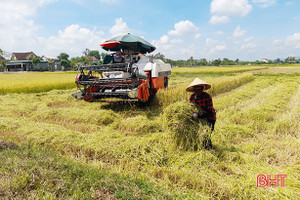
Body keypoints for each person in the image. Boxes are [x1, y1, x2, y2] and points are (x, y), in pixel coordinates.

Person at [186, 78, 216, 149]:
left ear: (202, 89)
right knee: (197, 135)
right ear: (193, 90)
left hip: (209, 118)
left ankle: (208, 151)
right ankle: (201, 148)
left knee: (206, 136)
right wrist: (191, 114)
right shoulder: (192, 97)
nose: (197, 91)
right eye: (196, 89)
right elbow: (191, 108)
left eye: (199, 89)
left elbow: (209, 112)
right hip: (199, 119)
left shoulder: (207, 97)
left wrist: (198, 115)